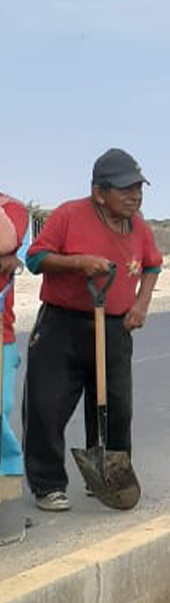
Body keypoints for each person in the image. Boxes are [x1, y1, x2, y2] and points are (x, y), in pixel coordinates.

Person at [23, 149, 161, 512]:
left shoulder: (139, 226)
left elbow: (152, 266)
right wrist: (77, 263)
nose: (135, 196)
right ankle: (48, 485)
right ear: (99, 192)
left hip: (114, 327)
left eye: (138, 188)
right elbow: (35, 259)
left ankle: (108, 477)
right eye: (125, 189)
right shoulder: (69, 215)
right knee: (46, 407)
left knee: (116, 408)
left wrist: (141, 303)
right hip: (62, 326)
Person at [0, 191, 29, 476]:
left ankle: (6, 473)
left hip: (1, 332)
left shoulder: (12, 209)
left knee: (0, 407)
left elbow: (6, 242)